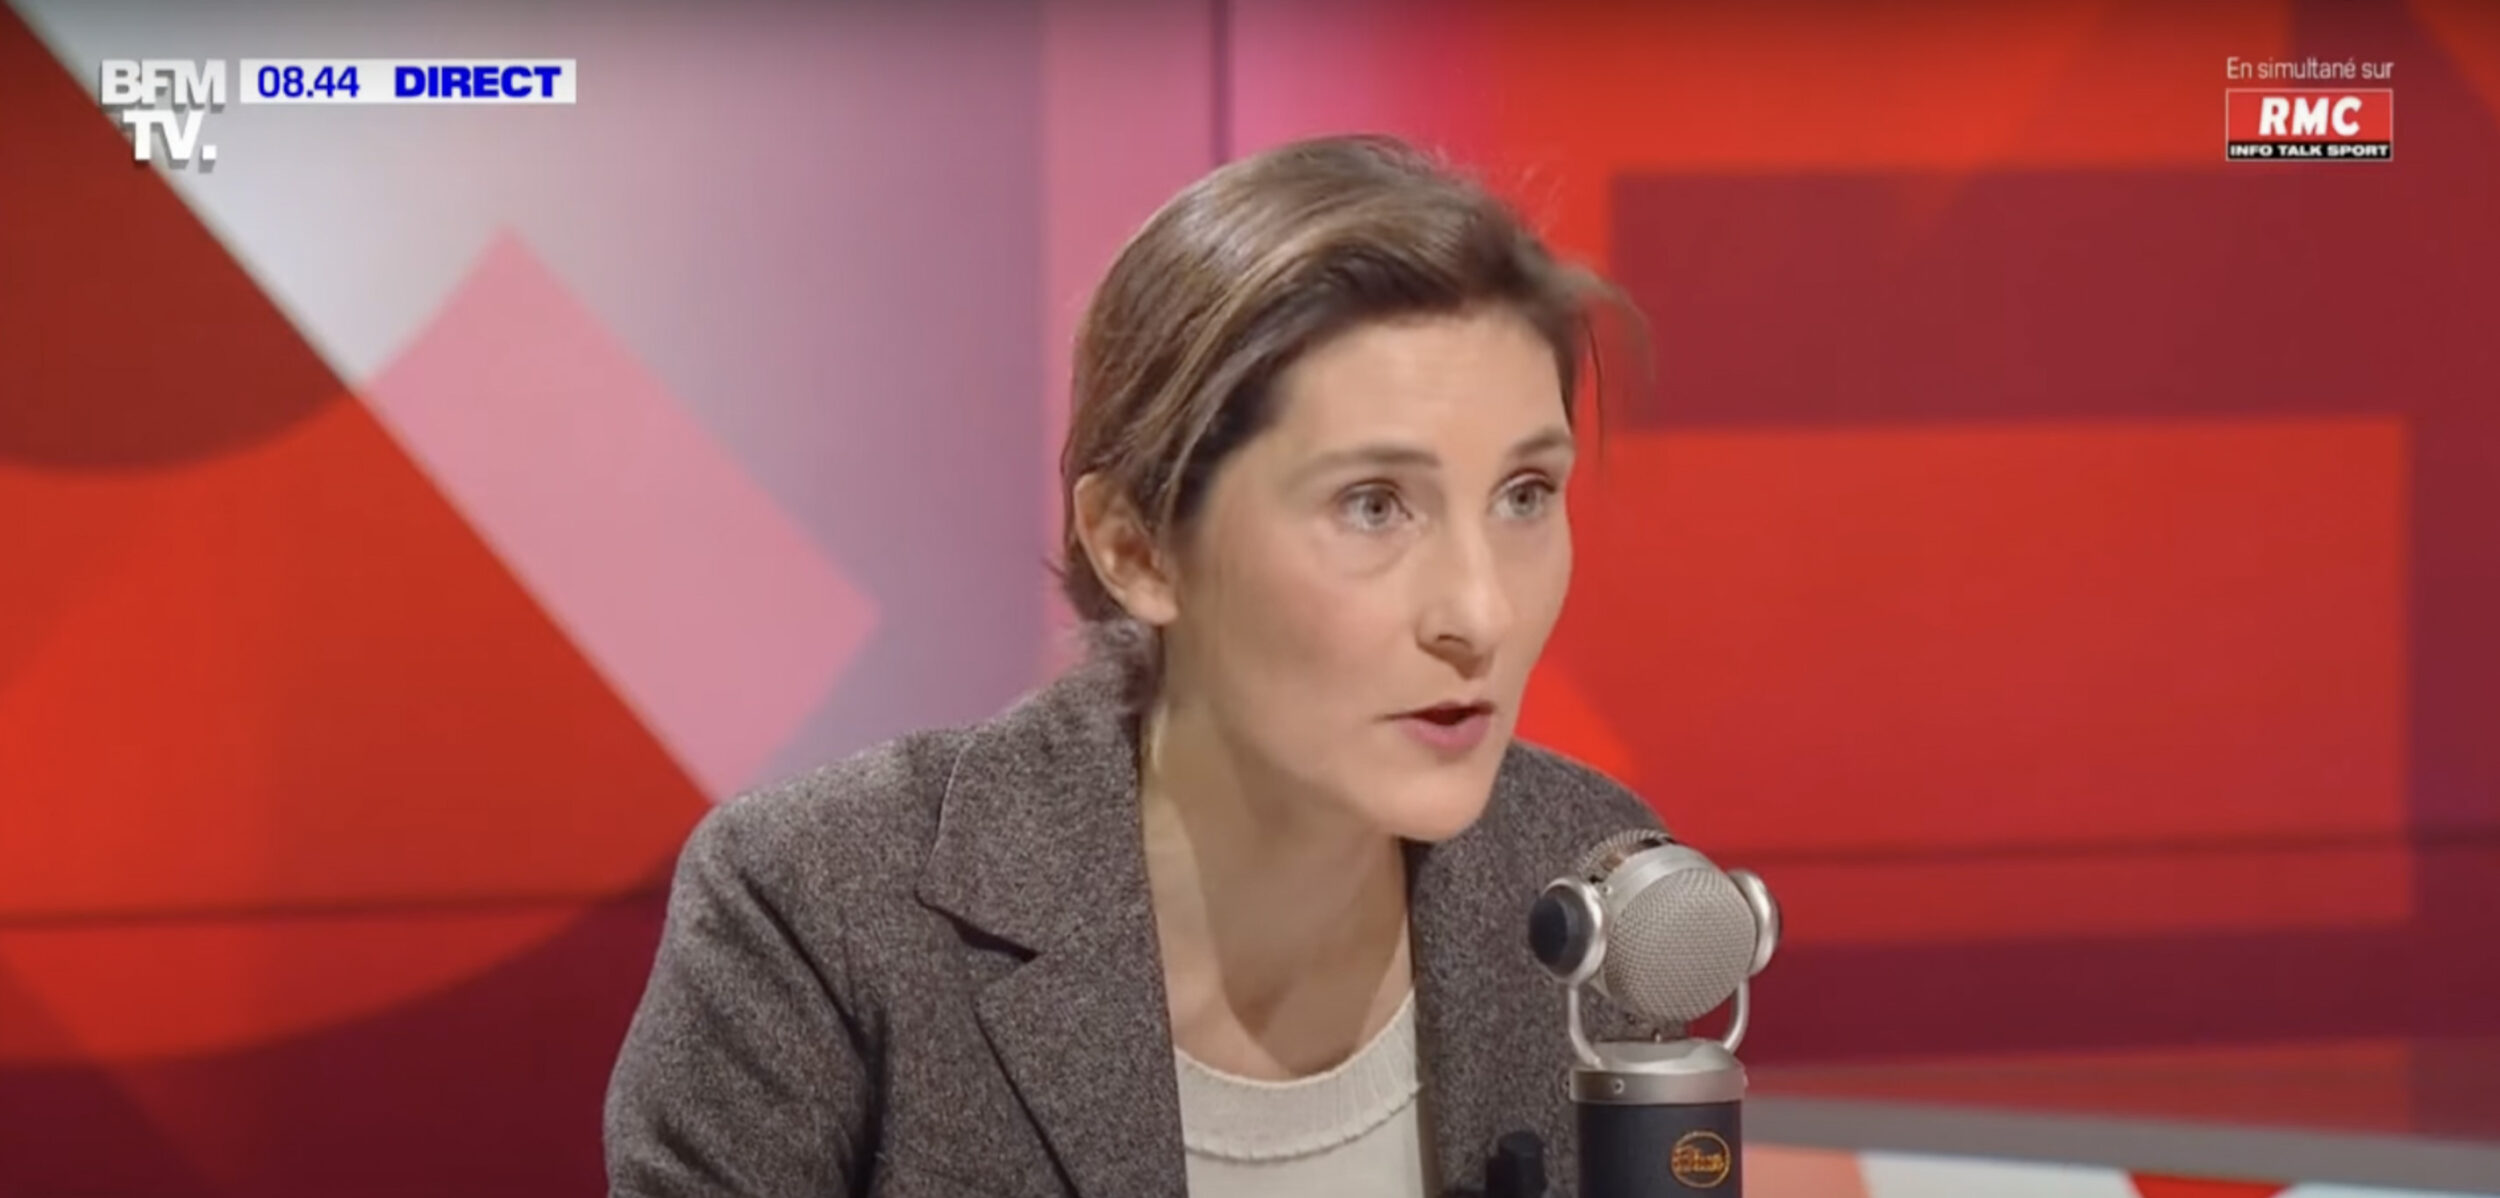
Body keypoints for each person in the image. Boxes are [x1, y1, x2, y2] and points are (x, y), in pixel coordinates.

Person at [604, 133, 1663, 1198]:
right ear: (1137, 548)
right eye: (1373, 505)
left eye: (1525, 494)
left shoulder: (1599, 886)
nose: (1481, 611)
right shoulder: (820, 909)